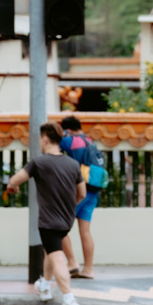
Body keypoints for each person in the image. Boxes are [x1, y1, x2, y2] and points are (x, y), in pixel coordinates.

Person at [6, 122, 86, 305]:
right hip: (66, 220)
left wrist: (11, 187)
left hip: (48, 221)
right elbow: (82, 194)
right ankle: (45, 286)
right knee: (50, 251)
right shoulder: (72, 164)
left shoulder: (39, 163)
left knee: (57, 257)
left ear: (45, 139)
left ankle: (69, 300)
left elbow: (15, 180)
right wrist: (68, 207)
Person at [59, 115, 97, 279]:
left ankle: (72, 262)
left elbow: (52, 148)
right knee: (85, 231)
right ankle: (88, 269)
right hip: (93, 191)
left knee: (59, 227)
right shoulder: (91, 141)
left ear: (67, 129)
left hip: (77, 191)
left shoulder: (69, 141)